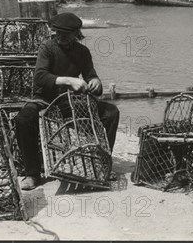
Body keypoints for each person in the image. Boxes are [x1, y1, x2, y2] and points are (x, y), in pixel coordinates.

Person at [15, 12, 120, 191]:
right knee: (23, 119)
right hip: (45, 100)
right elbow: (40, 77)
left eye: (67, 34)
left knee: (111, 112)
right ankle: (32, 173)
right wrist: (69, 80)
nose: (62, 37)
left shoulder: (82, 52)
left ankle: (103, 163)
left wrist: (96, 82)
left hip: (70, 103)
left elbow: (90, 75)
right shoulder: (47, 48)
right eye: (59, 33)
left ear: (76, 34)